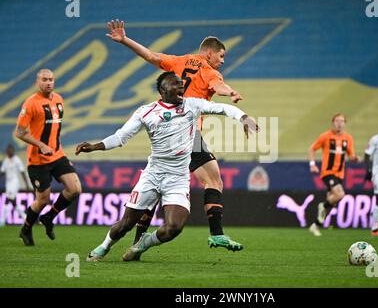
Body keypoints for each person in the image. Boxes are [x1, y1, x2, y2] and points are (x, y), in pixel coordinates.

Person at [76, 71, 258, 262]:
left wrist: (243, 117)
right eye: (175, 84)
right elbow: (120, 137)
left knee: (174, 227)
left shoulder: (192, 104)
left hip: (178, 178)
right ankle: (104, 247)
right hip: (153, 175)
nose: (181, 87)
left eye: (182, 84)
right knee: (126, 224)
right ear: (162, 90)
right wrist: (94, 146)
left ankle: (143, 244)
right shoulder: (146, 112)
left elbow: (222, 108)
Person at [106, 19, 246, 251]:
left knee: (158, 186)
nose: (222, 61)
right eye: (221, 56)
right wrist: (230, 92)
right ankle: (216, 233)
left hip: (166, 129)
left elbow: (150, 56)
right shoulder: (210, 72)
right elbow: (218, 86)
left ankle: (137, 240)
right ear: (209, 53)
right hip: (187, 132)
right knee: (213, 179)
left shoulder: (179, 61)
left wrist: (124, 40)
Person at [15, 69, 82, 246]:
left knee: (75, 189)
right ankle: (26, 229)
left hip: (57, 155)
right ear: (37, 82)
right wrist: (41, 145)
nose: (48, 83)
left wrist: (60, 153)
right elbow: (19, 132)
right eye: (44, 80)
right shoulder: (30, 103)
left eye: (51, 79)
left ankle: (48, 217)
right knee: (43, 199)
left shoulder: (59, 99)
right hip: (37, 160)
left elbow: (54, 132)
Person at [308, 113, 360, 236]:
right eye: (337, 121)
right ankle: (322, 206)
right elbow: (312, 148)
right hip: (328, 172)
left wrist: (355, 158)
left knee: (332, 204)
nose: (339, 123)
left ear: (345, 123)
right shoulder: (325, 136)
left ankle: (315, 225)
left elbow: (350, 155)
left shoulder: (348, 138)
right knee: (340, 194)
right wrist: (312, 164)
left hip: (340, 174)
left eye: (342, 121)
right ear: (333, 122)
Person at [0, 144, 31, 225]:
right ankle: (24, 217)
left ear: (13, 151)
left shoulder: (17, 160)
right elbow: (2, 172)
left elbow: (22, 172)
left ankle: (2, 220)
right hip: (8, 183)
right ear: (7, 151)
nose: (10, 151)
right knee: (12, 201)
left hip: (15, 182)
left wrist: (26, 184)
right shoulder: (6, 161)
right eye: (8, 150)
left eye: (11, 149)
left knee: (8, 199)